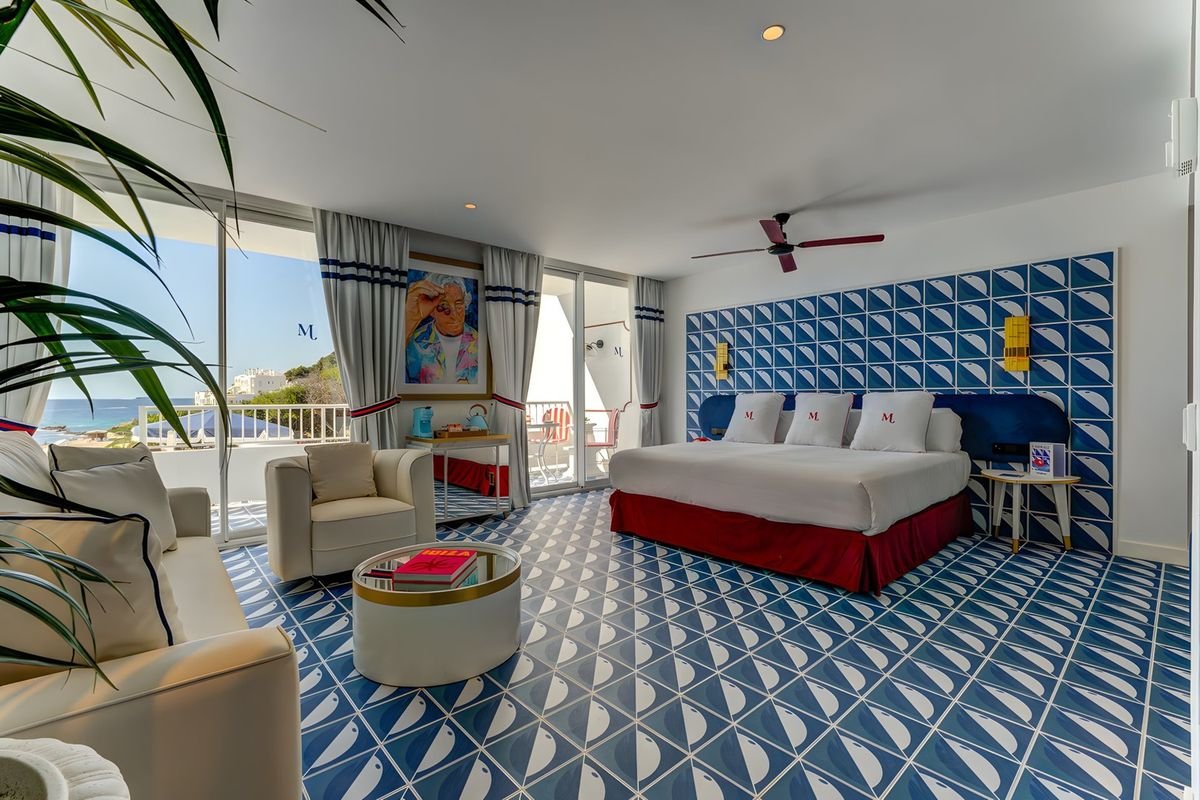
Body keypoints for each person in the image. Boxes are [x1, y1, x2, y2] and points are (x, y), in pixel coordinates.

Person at [405, 274, 480, 384]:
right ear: (432, 311)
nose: (454, 315)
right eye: (444, 306)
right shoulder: (413, 342)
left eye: (459, 305)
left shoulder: (479, 342)